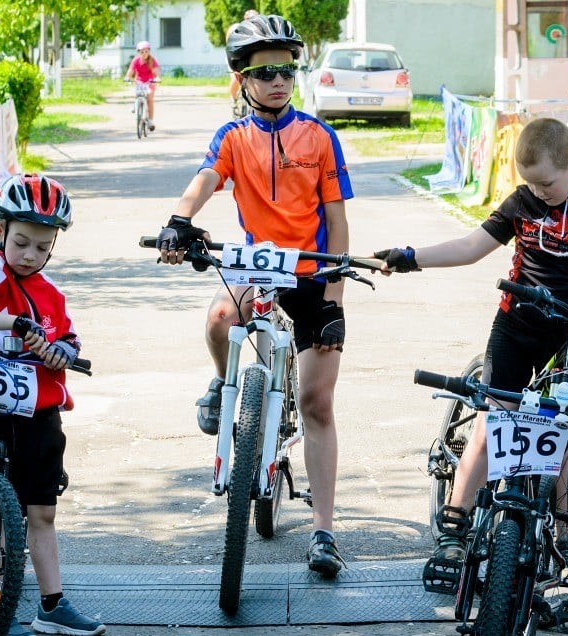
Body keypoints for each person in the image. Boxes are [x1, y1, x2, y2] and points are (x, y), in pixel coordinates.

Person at [156, 13, 353, 578]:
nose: (279, 81)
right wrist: (178, 219)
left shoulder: (319, 137)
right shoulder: (232, 137)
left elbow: (338, 226)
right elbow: (204, 181)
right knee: (221, 314)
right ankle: (224, 384)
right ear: (241, 77)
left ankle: (323, 532)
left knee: (317, 403)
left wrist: (335, 301)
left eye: (288, 70)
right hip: (259, 269)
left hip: (314, 274)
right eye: (266, 71)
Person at [373, 117, 568, 591]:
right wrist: (410, 256)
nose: (538, 193)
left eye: (547, 183)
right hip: (516, 326)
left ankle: (566, 531)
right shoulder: (522, 202)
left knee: (563, 427)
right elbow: (471, 247)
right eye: (530, 184)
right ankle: (455, 524)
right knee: (492, 416)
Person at [0, 174, 106, 636]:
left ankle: (52, 605)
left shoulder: (51, 291)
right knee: (2, 512)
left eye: (42, 246)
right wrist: (14, 323)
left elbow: (68, 338)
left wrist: (63, 352)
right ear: (0, 234)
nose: (30, 255)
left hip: (40, 411)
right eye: (21, 242)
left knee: (42, 511)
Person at [227, 9, 260, 110]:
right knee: (236, 77)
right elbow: (229, 47)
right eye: (250, 20)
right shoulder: (235, 29)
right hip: (234, 55)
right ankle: (233, 99)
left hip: (249, 56)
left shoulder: (259, 29)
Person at [125, 41, 161, 130]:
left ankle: (151, 121)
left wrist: (157, 78)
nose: (144, 54)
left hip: (150, 82)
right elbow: (130, 71)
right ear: (138, 52)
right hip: (139, 81)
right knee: (138, 94)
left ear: (149, 51)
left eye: (146, 51)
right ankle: (135, 105)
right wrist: (127, 77)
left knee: (150, 100)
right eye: (142, 52)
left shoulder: (152, 60)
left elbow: (157, 72)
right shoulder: (136, 60)